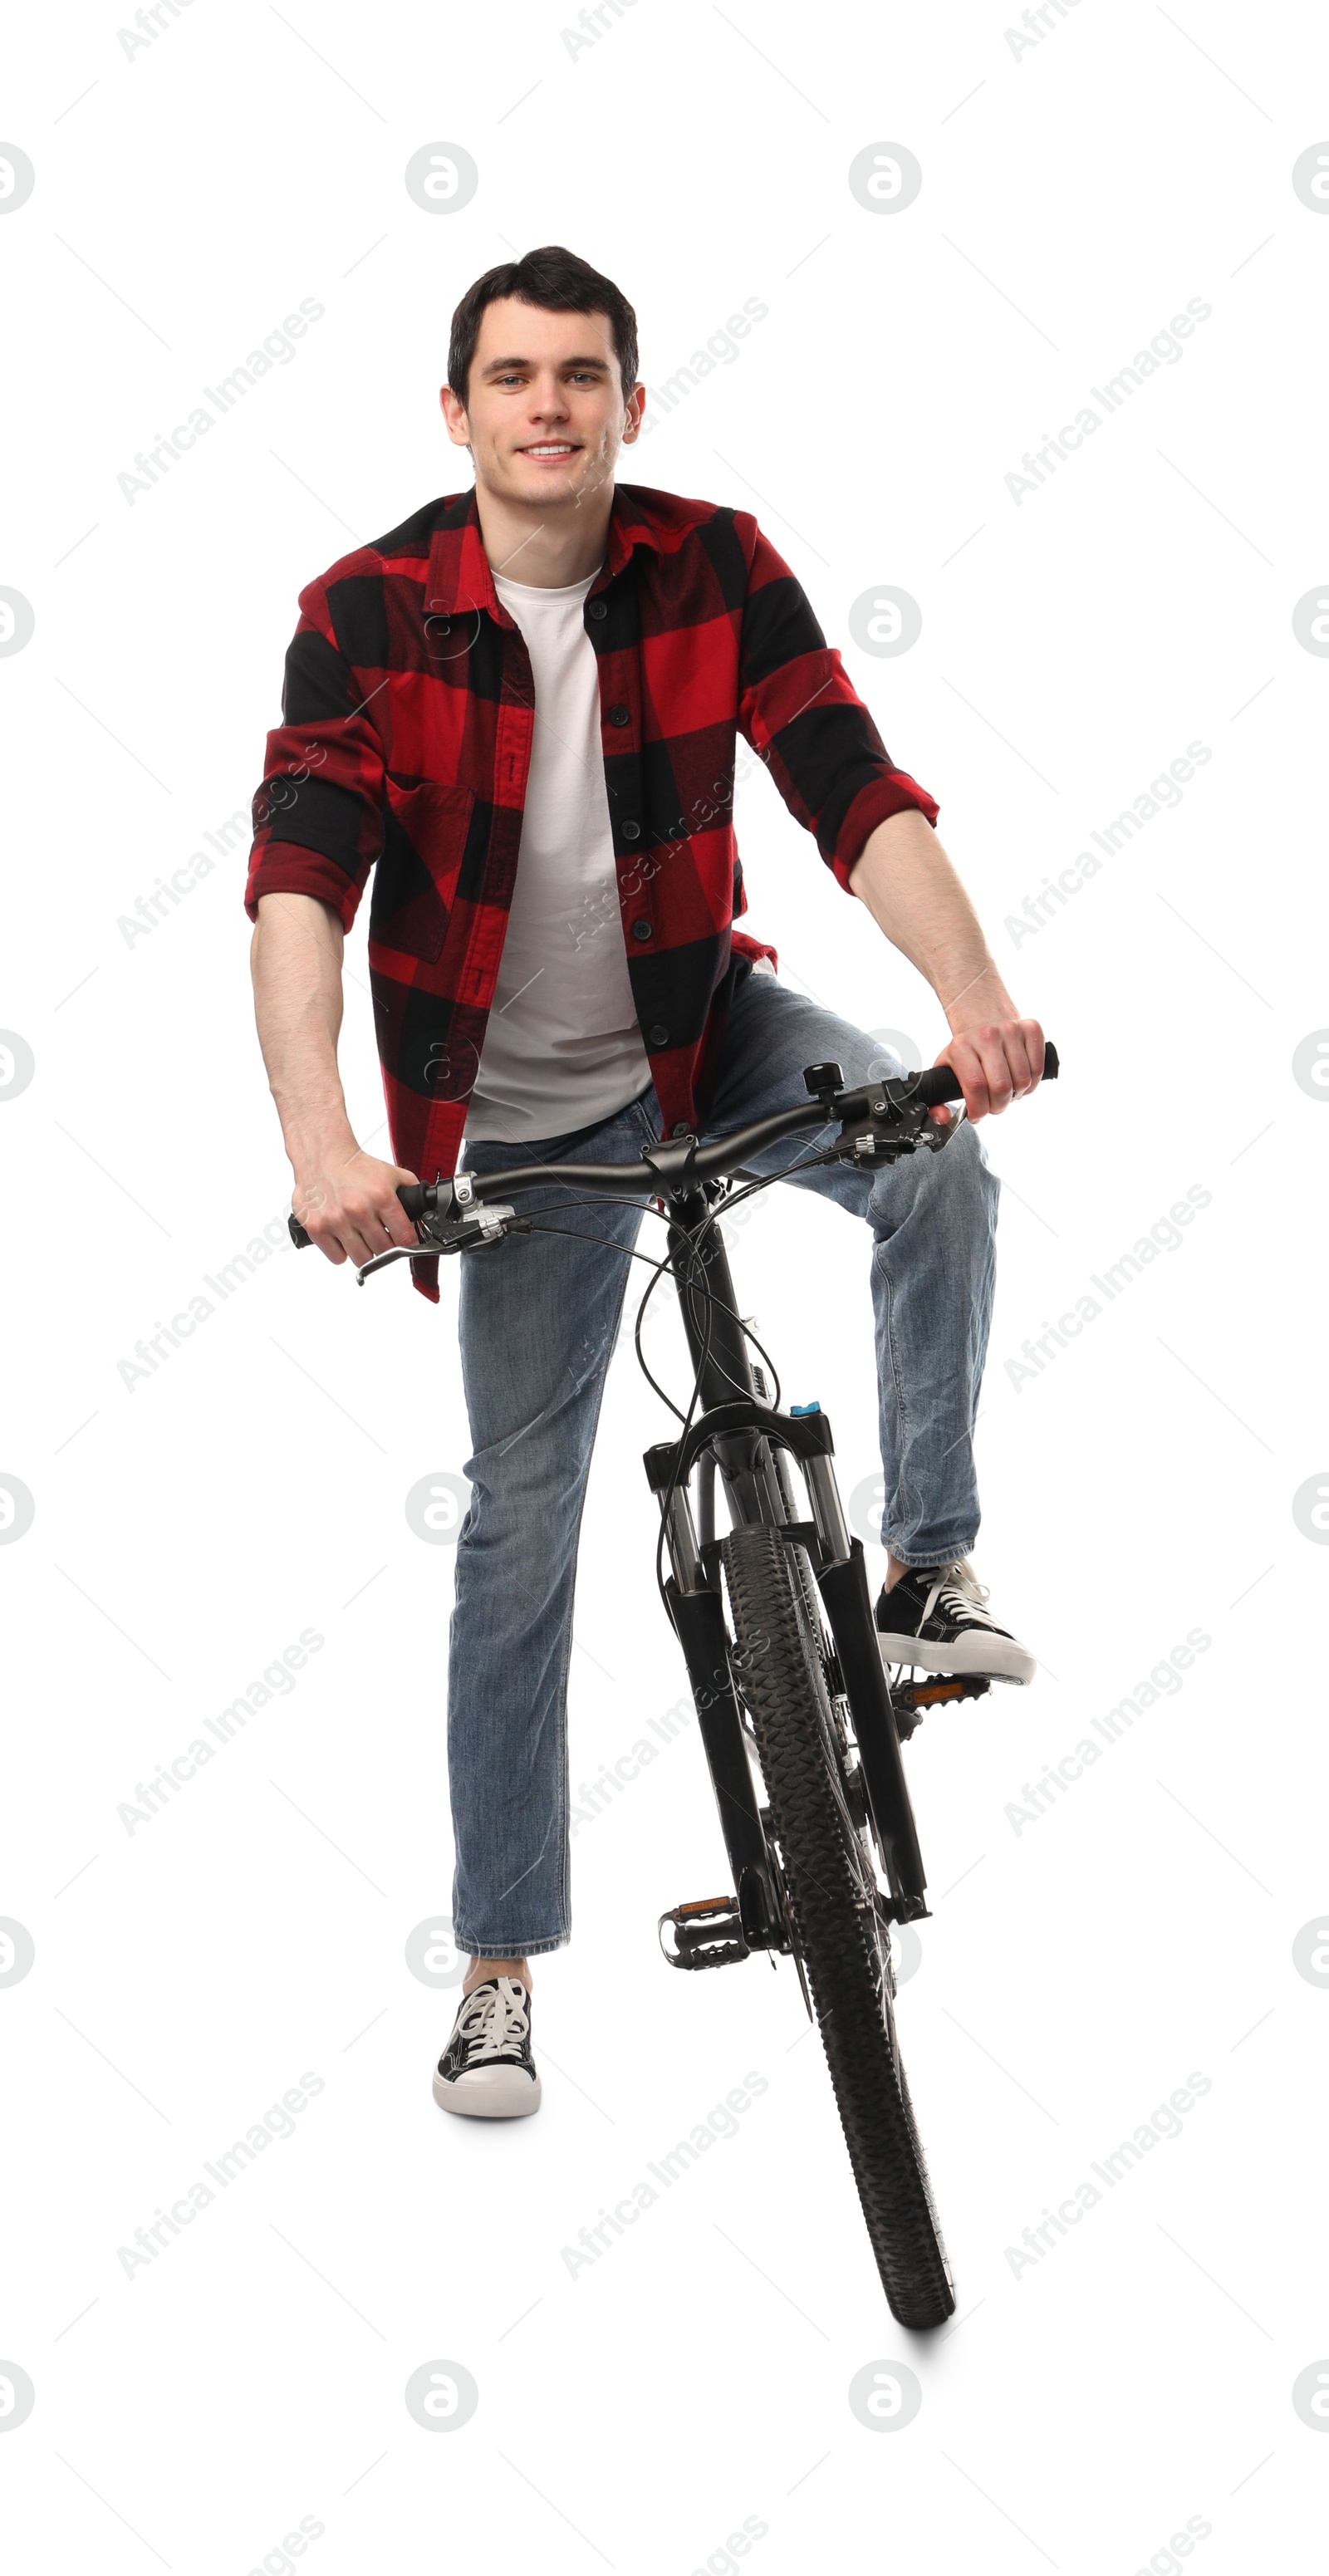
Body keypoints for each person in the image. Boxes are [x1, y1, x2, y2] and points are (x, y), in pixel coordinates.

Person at [246, 245, 1046, 2124]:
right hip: (514, 1139)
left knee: (934, 1167)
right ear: (456, 416)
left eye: (582, 377)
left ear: (628, 403)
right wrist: (321, 1144)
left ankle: (924, 1565)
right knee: (517, 1538)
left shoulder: (713, 564)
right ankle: (500, 1970)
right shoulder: (362, 616)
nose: (548, 406)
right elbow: (301, 886)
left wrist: (975, 1003)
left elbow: (852, 787)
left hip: (707, 1034)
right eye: (511, 378)